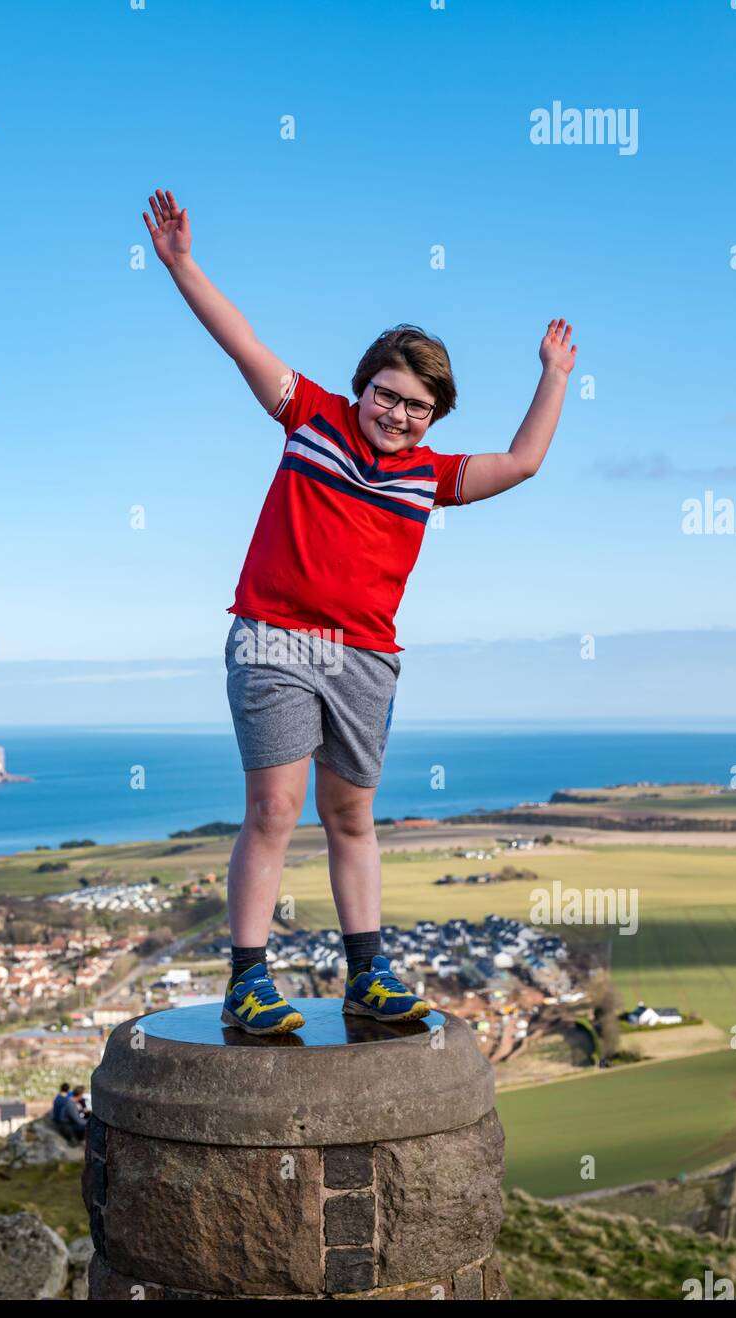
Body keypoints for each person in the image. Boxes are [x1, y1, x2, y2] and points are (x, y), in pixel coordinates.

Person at [143, 187, 576, 1036]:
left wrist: (553, 376)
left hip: (363, 657)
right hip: (272, 638)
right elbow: (242, 341)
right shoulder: (309, 418)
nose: (397, 412)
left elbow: (523, 462)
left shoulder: (430, 474)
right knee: (273, 808)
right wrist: (183, 264)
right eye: (386, 393)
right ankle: (247, 978)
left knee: (349, 815)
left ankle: (366, 974)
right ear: (362, 387)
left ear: (433, 416)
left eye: (417, 405)